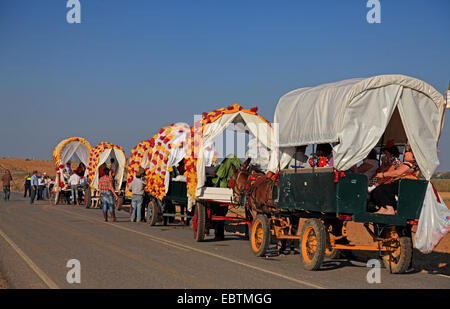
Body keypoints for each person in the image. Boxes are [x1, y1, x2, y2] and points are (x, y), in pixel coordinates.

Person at [368, 146, 420, 215]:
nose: (405, 153)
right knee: (382, 190)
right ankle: (384, 208)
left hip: (404, 184)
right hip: (403, 183)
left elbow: (397, 172)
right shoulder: (410, 164)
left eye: (408, 152)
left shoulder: (410, 163)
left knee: (380, 190)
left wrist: (383, 174)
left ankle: (390, 209)